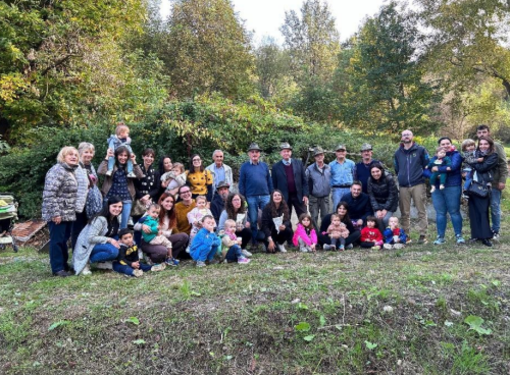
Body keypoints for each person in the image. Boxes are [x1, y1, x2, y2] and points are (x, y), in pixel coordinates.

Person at [42, 146, 80, 277]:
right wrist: (55, 213)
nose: (74, 156)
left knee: (63, 240)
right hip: (58, 213)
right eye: (70, 154)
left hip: (67, 213)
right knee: (57, 241)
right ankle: (57, 268)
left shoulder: (70, 171)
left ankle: (63, 264)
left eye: (76, 155)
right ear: (63, 157)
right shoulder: (57, 170)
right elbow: (49, 194)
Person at [394, 129, 429, 244]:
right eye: (404, 135)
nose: (406, 136)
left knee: (421, 210)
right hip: (404, 186)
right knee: (405, 212)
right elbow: (397, 168)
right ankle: (406, 235)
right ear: (401, 138)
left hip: (418, 183)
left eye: (408, 134)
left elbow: (426, 165)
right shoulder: (398, 153)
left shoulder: (420, 150)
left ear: (412, 136)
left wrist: (421, 176)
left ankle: (423, 235)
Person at [73, 196, 124, 276]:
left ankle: (102, 263)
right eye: (114, 206)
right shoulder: (100, 219)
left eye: (120, 207)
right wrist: (110, 240)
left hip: (99, 243)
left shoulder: (115, 218)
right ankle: (86, 262)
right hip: (88, 246)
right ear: (108, 206)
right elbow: (90, 238)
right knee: (113, 251)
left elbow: (113, 233)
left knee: (124, 242)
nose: (117, 209)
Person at [98, 146, 144, 229]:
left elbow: (140, 175)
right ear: (116, 156)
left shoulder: (129, 167)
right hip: (110, 197)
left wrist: (133, 161)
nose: (123, 157)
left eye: (125, 155)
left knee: (124, 223)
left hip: (126, 198)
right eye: (121, 155)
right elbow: (100, 171)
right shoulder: (111, 165)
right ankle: (106, 238)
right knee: (106, 221)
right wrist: (107, 157)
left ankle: (121, 239)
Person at [134, 192, 189, 262]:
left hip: (161, 238)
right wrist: (143, 226)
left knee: (184, 236)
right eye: (167, 201)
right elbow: (136, 226)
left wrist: (160, 232)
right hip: (148, 240)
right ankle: (151, 257)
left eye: (172, 202)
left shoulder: (171, 214)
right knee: (163, 250)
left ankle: (170, 258)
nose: (169, 204)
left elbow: (168, 233)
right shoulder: (153, 210)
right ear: (161, 201)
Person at [429, 137, 465, 245]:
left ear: (451, 144)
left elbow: (453, 167)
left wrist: (437, 169)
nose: (445, 146)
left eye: (447, 143)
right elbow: (427, 170)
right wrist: (432, 173)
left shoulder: (456, 155)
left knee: (454, 211)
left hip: (452, 186)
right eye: (443, 144)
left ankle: (459, 235)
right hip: (437, 188)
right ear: (439, 146)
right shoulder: (436, 156)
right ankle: (440, 237)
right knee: (440, 213)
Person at [476, 125, 508, 240]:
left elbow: (503, 164)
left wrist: (502, 180)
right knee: (482, 208)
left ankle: (496, 230)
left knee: (494, 207)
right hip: (480, 184)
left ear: (489, 133)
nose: (482, 135)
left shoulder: (496, 146)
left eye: (484, 132)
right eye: (479, 133)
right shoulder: (478, 147)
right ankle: (484, 232)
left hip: (494, 183)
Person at [466, 137, 498, 247]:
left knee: (483, 211)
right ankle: (476, 235)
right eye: (481, 144)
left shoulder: (493, 156)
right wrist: (475, 161)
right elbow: (467, 162)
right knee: (473, 211)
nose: (483, 146)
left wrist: (473, 162)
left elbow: (483, 168)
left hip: (483, 186)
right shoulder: (476, 154)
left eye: (485, 144)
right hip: (473, 186)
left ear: (490, 145)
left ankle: (485, 236)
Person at [239, 142, 273, 245]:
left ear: (259, 154)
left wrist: (271, 193)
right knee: (253, 220)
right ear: (249, 154)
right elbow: (242, 183)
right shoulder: (244, 167)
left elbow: (269, 181)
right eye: (252, 152)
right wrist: (242, 197)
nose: (254, 154)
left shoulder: (264, 166)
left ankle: (266, 240)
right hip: (251, 196)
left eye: (257, 152)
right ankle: (254, 242)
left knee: (266, 219)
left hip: (265, 195)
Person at [271, 142, 309, 218]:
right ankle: (289, 230)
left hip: (298, 196)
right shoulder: (275, 167)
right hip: (284, 197)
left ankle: (304, 230)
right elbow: (273, 184)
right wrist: (275, 197)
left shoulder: (298, 163)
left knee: (304, 217)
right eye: (284, 151)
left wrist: (305, 194)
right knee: (285, 219)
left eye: (288, 151)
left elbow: (304, 180)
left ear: (291, 152)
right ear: (281, 153)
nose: (286, 153)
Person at [71, 142, 97, 250]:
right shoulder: (76, 166)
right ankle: (76, 255)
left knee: (86, 229)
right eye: (86, 152)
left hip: (89, 203)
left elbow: (94, 182)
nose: (89, 155)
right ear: (80, 152)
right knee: (77, 229)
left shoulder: (90, 166)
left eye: (91, 152)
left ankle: (83, 254)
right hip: (78, 203)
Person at [217, 193, 253, 258]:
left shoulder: (243, 211)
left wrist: (241, 227)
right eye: (235, 200)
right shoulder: (225, 213)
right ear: (231, 202)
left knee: (247, 231)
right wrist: (230, 230)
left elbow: (244, 224)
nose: (237, 202)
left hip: (237, 232)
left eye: (238, 200)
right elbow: (221, 228)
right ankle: (230, 252)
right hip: (227, 234)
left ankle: (242, 249)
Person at [367, 163, 398, 232]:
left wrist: (385, 209)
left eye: (377, 171)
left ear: (381, 170)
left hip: (390, 204)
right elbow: (371, 196)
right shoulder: (370, 180)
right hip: (378, 204)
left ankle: (390, 236)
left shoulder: (388, 178)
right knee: (377, 218)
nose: (375, 174)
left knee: (386, 219)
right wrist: (377, 209)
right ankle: (381, 237)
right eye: (373, 172)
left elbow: (392, 195)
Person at [306, 146, 331, 228]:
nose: (319, 157)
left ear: (324, 156)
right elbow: (305, 182)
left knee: (326, 217)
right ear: (314, 157)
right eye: (317, 155)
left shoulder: (329, 168)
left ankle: (324, 234)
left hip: (325, 197)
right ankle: (315, 236)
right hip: (314, 197)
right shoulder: (309, 169)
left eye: (321, 155)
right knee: (314, 217)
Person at [134, 148, 161, 220]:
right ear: (143, 157)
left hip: (150, 200)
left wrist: (148, 196)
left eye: (151, 157)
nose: (149, 158)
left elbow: (157, 188)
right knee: (137, 222)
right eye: (147, 156)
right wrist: (142, 197)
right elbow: (133, 185)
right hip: (138, 201)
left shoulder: (156, 172)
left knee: (149, 222)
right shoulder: (136, 169)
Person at [329, 144, 355, 212]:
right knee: (336, 208)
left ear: (345, 152)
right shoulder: (331, 165)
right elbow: (329, 177)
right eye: (339, 151)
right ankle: (336, 222)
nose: (341, 153)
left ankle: (349, 222)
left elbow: (355, 176)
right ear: (336, 153)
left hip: (349, 189)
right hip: (336, 190)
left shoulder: (351, 163)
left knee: (350, 207)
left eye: (342, 151)